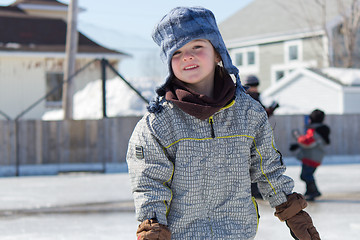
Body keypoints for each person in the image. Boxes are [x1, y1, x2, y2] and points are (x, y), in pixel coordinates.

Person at [127, 6, 320, 240]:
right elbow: (150, 183)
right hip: (182, 235)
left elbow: (267, 168)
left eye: (197, 46)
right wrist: (153, 227)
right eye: (176, 52)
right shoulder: (158, 124)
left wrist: (293, 213)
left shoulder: (248, 113)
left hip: (237, 232)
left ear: (218, 52)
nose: (187, 56)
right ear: (168, 62)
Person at [243, 75, 279, 199]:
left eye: (256, 86)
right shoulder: (246, 97)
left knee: (257, 164)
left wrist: (270, 110)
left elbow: (261, 116)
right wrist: (269, 110)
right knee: (250, 164)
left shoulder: (254, 97)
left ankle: (254, 190)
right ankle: (252, 190)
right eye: (252, 86)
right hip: (247, 136)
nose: (255, 88)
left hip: (256, 135)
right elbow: (257, 115)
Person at [290, 109, 331, 201]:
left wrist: (297, 137)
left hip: (311, 157)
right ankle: (310, 191)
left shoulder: (314, 130)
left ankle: (313, 191)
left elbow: (308, 142)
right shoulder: (320, 130)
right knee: (307, 174)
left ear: (312, 119)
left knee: (306, 175)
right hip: (315, 157)